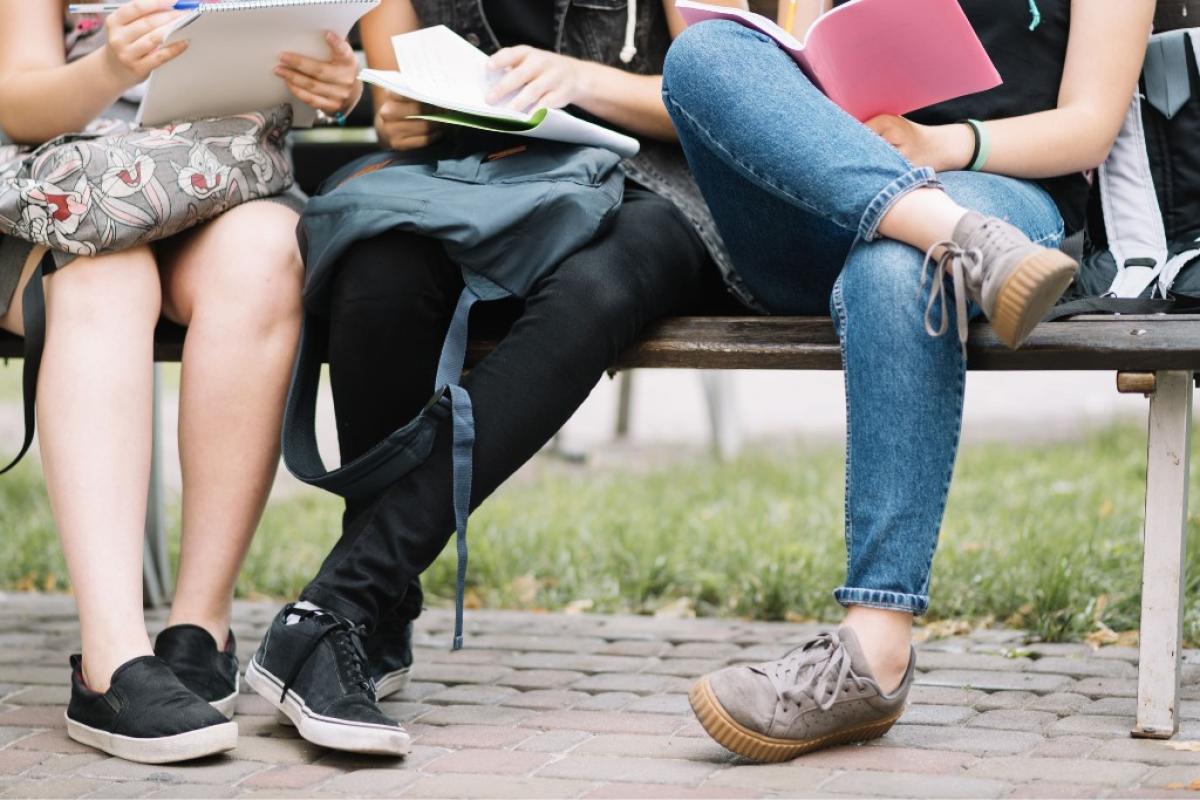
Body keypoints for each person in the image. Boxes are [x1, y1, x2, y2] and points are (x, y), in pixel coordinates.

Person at [244, 0, 746, 756]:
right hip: (471, 178)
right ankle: (373, 618)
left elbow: (734, 92)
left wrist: (580, 80)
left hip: (650, 184)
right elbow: (400, 102)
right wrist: (405, 119)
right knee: (379, 270)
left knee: (595, 291)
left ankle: (342, 600)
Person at [659, 0, 1155, 762]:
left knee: (900, 265)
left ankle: (873, 650)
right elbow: (796, 56)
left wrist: (940, 144)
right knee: (704, 53)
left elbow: (1089, 124)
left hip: (1001, 191)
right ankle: (947, 232)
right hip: (823, 193)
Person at [0, 0, 362, 763]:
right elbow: (18, 103)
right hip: (65, 199)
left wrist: (335, 87)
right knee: (109, 276)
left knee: (266, 257)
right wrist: (110, 68)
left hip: (219, 182)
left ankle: (199, 627)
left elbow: (344, 73)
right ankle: (110, 661)